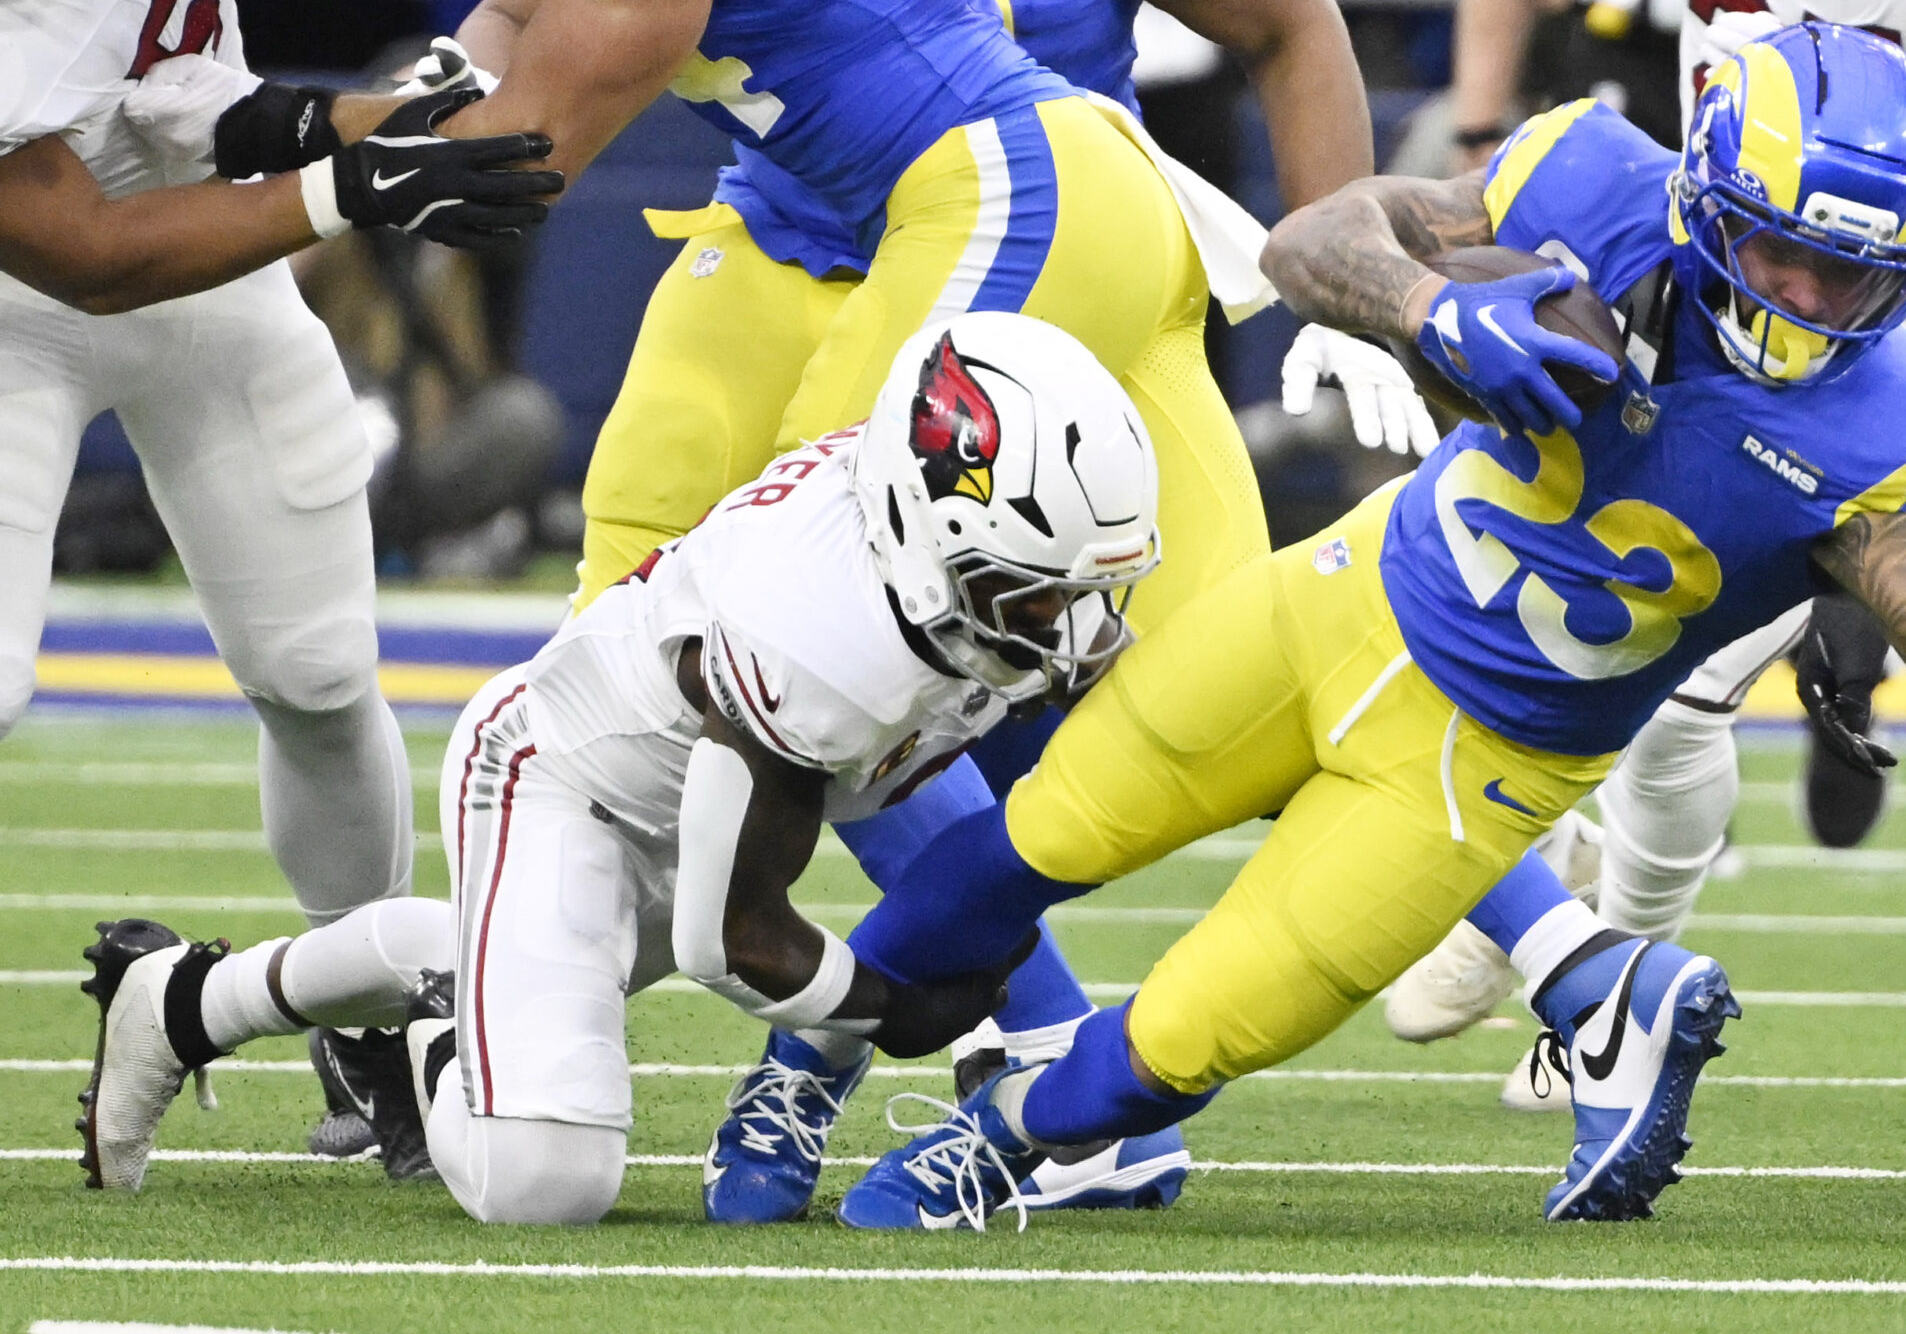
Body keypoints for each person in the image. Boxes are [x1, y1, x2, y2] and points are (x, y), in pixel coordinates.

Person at [337, 0, 1408, 1218]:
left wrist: (237, 175)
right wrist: (402, 104)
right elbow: (525, 15)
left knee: (912, 648)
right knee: (648, 689)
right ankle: (346, 995)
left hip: (1003, 202)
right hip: (849, 225)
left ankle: (994, 1054)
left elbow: (515, 154)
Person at [826, 23, 1906, 1230]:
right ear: (1706, 199)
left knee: (1192, 1027)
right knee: (1031, 836)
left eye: (1860, 273)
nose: (1814, 300)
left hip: (1476, 769)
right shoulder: (1589, 177)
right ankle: (799, 1064)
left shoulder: (1889, 430)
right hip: (1337, 601)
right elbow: (1311, 240)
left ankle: (993, 1143)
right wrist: (1425, 309)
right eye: (1785, 254)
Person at [1202, 0, 1906, 1075]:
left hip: (1885, 309)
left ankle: (1603, 980)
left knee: (1690, 675)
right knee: (1569, 606)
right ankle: (1584, 944)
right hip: (1699, 255)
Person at [76, 314, 1160, 1224]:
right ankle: (437, 1024)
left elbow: (940, 812)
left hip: (684, 790)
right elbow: (727, 937)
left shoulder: (926, 566)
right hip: (565, 784)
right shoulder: (818, 637)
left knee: (532, 953)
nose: (1070, 629)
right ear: (931, 538)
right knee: (546, 1178)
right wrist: (895, 1012)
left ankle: (177, 999)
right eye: (1034, 594)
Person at [0, 0, 564, 1179]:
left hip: (208, 264)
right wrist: (336, 183)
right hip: (29, 298)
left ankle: (360, 1000)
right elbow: (87, 252)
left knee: (317, 677)